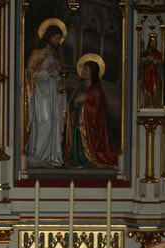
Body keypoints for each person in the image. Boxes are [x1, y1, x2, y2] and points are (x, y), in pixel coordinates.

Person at [25, 21, 66, 169]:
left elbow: (57, 74)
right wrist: (49, 71)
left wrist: (60, 79)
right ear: (49, 37)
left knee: (53, 123)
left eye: (59, 38)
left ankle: (49, 156)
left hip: (52, 92)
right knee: (44, 122)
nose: (58, 41)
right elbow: (31, 74)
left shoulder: (55, 55)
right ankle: (37, 156)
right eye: (56, 38)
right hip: (41, 92)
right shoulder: (38, 53)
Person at [64, 55, 118, 170]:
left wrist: (84, 103)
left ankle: (87, 158)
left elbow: (96, 113)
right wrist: (76, 102)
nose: (83, 72)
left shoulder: (96, 90)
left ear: (92, 73)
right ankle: (76, 159)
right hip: (77, 122)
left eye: (86, 69)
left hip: (89, 127)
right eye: (83, 69)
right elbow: (71, 104)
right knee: (76, 142)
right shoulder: (79, 87)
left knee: (84, 145)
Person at [139, 32, 163, 108]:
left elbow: (159, 62)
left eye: (154, 43)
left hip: (154, 74)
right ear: (149, 43)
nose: (153, 44)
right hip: (145, 74)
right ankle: (147, 103)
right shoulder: (145, 53)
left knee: (154, 89)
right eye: (152, 43)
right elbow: (140, 62)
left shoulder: (159, 54)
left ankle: (154, 103)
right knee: (145, 90)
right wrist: (145, 60)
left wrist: (152, 59)